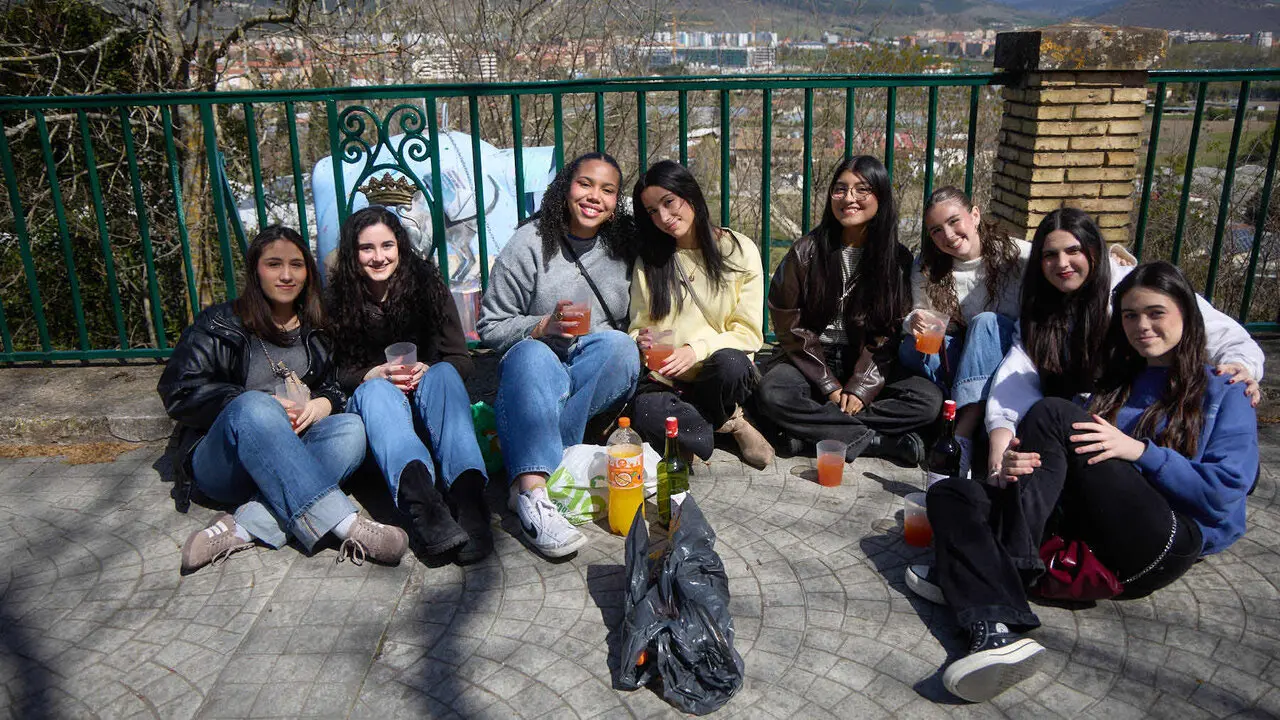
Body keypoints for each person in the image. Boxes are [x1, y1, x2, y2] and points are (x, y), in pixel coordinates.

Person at [906, 261, 1257, 703]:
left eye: (1156, 313)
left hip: (1164, 540)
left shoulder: (1226, 388)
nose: (1142, 326)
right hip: (1092, 528)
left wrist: (1140, 452)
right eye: (1130, 315)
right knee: (951, 493)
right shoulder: (1113, 384)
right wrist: (1016, 466)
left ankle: (998, 568)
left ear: (1186, 314)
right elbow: (1063, 471)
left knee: (1052, 412)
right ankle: (994, 630)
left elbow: (1224, 491)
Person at [158, 225, 407, 574]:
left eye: (296, 265)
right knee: (254, 406)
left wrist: (324, 403)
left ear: (308, 272)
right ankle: (346, 524)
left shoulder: (319, 326)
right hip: (225, 463)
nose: (287, 275)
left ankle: (243, 526)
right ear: (255, 270)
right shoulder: (218, 324)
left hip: (294, 451)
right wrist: (248, 402)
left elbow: (336, 383)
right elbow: (179, 391)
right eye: (274, 264)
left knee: (352, 427)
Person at [984, 208, 1264, 480]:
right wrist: (999, 446)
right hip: (1091, 422)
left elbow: (1222, 333)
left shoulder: (1133, 289)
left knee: (1052, 415)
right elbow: (1017, 377)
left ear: (1094, 250)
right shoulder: (1038, 312)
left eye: (1073, 250)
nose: (1062, 263)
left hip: (1150, 426)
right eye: (1050, 255)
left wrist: (1241, 366)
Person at [477, 152, 641, 558]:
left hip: (588, 368)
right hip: (536, 365)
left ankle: (532, 467)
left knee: (622, 347)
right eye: (585, 184)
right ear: (566, 187)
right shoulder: (529, 242)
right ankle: (533, 496)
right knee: (533, 356)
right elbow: (490, 326)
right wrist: (541, 326)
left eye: (607, 190)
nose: (594, 196)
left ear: (616, 201)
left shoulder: (623, 245)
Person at [325, 206, 492, 564]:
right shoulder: (336, 300)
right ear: (353, 253)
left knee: (444, 374)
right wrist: (370, 374)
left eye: (387, 245)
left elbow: (461, 358)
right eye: (366, 248)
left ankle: (469, 501)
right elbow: (333, 373)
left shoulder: (427, 286)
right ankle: (426, 510)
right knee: (376, 391)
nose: (379, 257)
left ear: (400, 246)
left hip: (433, 416)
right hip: (381, 427)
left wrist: (427, 369)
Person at [756, 155, 943, 465]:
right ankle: (879, 442)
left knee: (927, 400)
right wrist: (828, 384)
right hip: (812, 358)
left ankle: (810, 433)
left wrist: (860, 388)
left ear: (881, 197)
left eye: (862, 189)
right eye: (840, 189)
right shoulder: (806, 251)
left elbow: (889, 332)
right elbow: (789, 324)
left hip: (865, 360)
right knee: (773, 392)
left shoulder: (896, 259)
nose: (848, 198)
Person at [629, 160, 771, 468]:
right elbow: (638, 325)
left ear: (690, 194)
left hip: (717, 374)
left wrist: (696, 349)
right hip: (668, 378)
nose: (664, 217)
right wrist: (639, 340)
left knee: (732, 364)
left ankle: (689, 433)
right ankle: (728, 422)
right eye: (652, 211)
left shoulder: (738, 249)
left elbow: (748, 334)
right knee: (645, 410)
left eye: (669, 202)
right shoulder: (650, 260)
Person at [899, 186, 1030, 476]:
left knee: (985, 323)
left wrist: (1117, 258)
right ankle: (973, 406)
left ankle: (961, 436)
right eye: (936, 230)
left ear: (975, 215)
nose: (947, 235)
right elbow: (919, 314)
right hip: (960, 358)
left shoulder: (1017, 256)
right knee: (910, 348)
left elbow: (1066, 261)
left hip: (1003, 356)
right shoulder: (928, 266)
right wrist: (913, 322)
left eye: (954, 221)